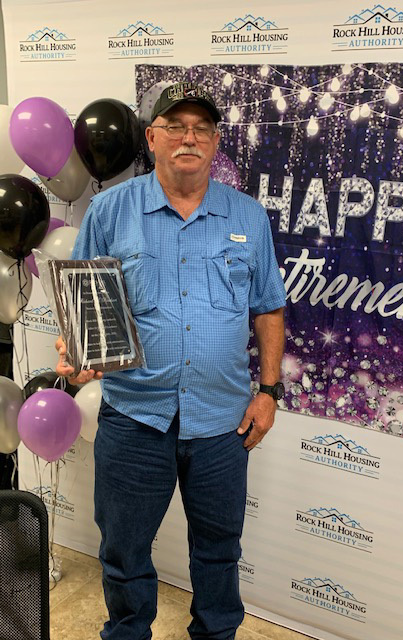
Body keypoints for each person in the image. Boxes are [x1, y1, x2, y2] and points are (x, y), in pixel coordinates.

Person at [55, 81, 286, 640]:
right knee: (124, 551)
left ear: (215, 142)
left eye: (201, 129)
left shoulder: (248, 216)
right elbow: (87, 304)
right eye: (175, 127)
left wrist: (269, 391)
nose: (189, 138)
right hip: (135, 417)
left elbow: (268, 309)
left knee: (218, 552)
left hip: (221, 422)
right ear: (152, 138)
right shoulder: (111, 211)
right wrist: (81, 351)